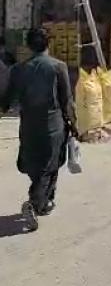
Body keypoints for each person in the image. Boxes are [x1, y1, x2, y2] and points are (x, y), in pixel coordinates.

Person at [1, 27, 77, 231]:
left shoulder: (18, 70)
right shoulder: (58, 67)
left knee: (37, 165)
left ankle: (44, 202)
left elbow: (6, 101)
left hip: (29, 127)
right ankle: (34, 203)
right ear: (48, 43)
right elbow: (67, 101)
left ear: (28, 45)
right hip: (53, 127)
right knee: (50, 166)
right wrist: (74, 124)